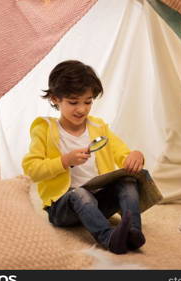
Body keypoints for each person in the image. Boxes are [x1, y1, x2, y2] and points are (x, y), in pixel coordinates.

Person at [22, 60, 146, 254]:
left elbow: (122, 152)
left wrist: (135, 155)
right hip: (62, 208)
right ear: (55, 99)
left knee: (128, 181)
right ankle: (109, 238)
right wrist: (64, 161)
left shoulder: (98, 127)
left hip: (96, 203)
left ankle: (133, 232)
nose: (81, 109)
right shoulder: (45, 129)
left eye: (87, 102)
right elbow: (31, 170)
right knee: (79, 193)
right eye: (73, 102)